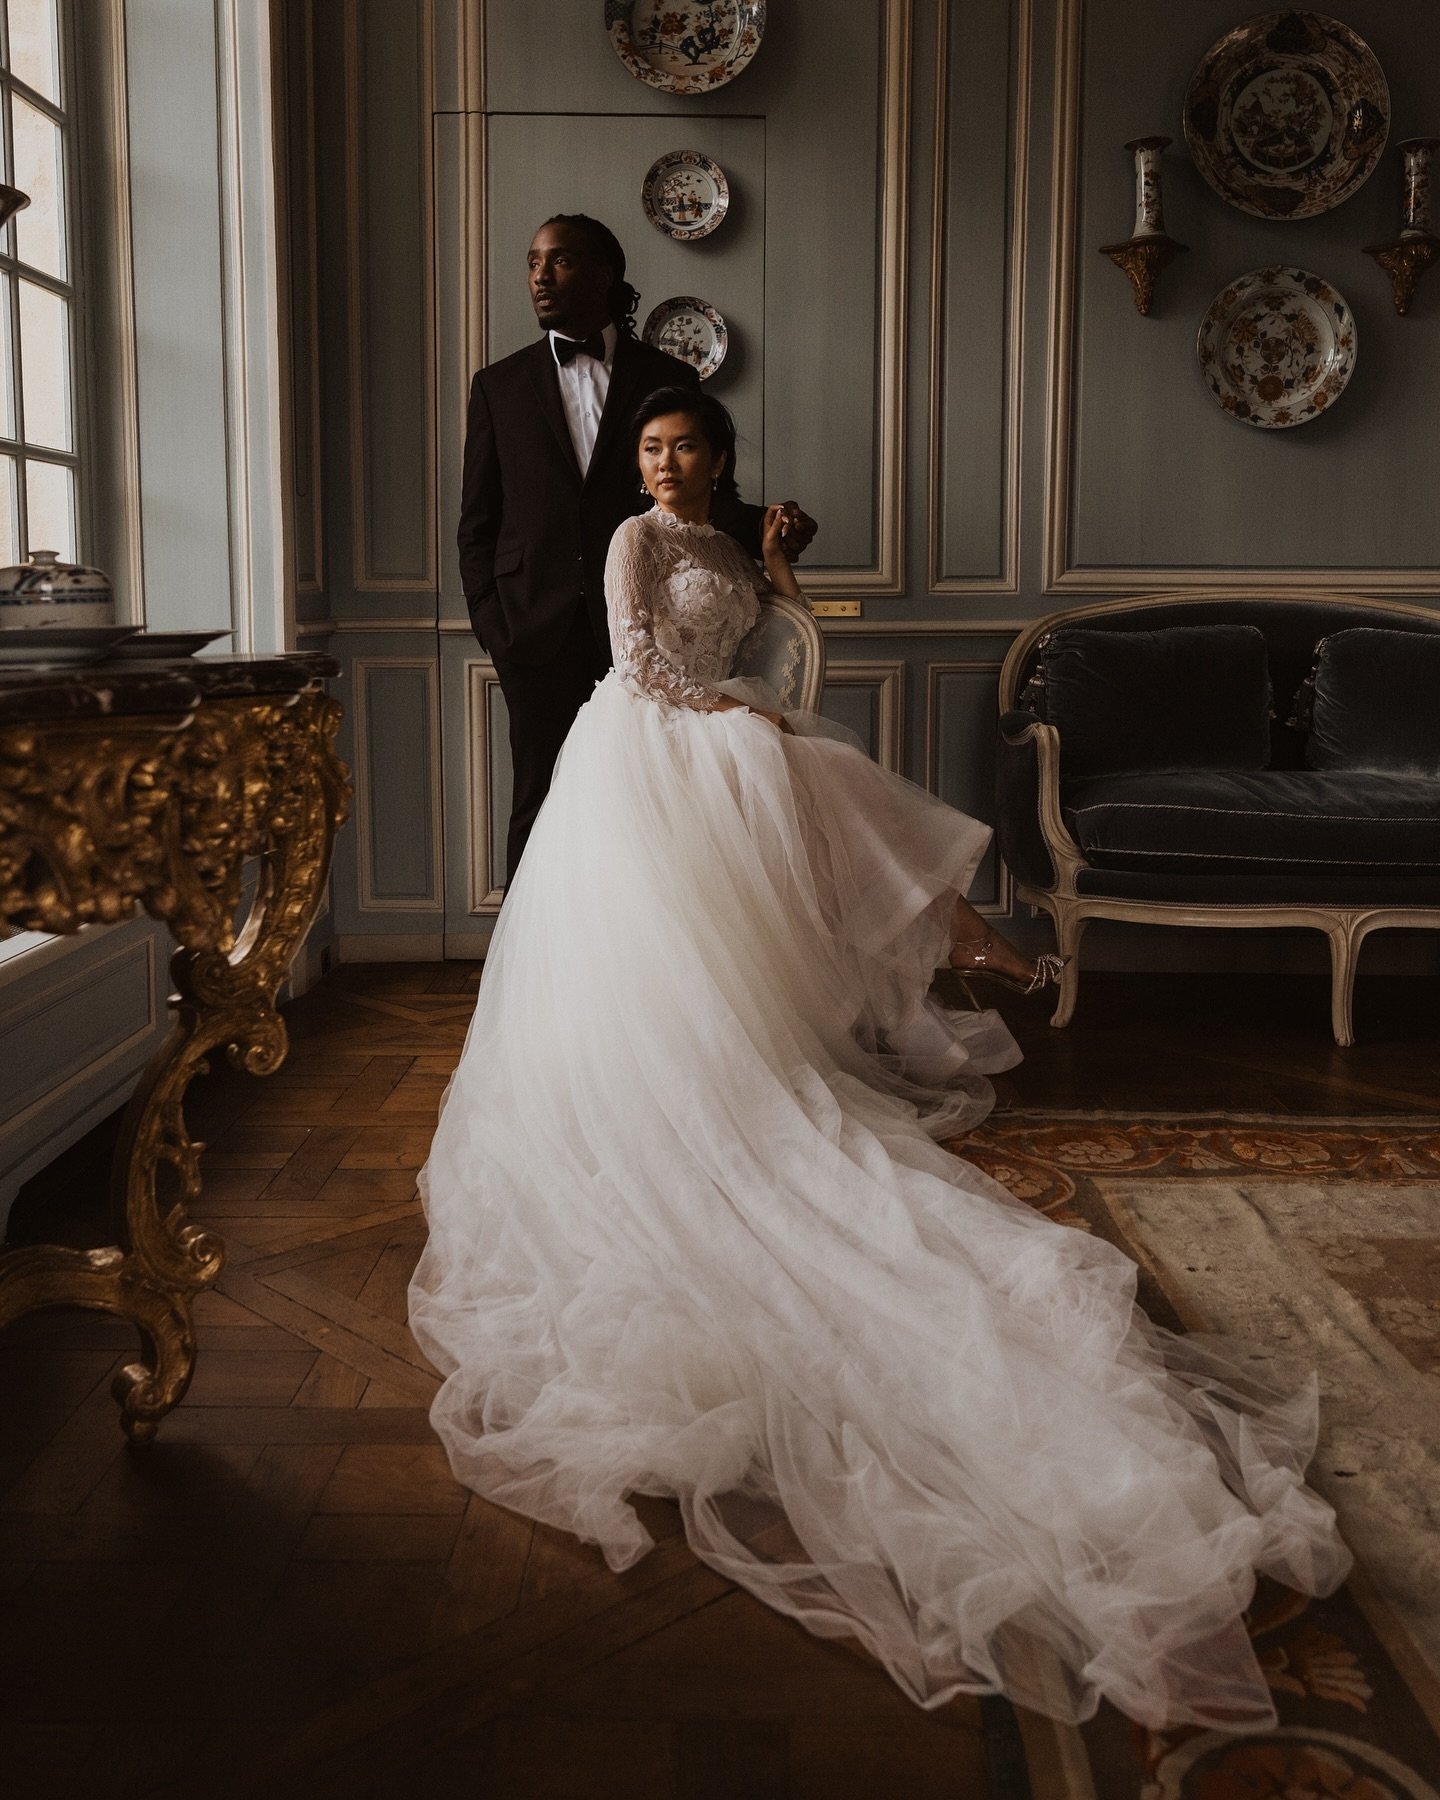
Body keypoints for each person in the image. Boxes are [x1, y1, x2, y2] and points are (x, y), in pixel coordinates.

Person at [410, 389, 1349, 1733]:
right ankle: (994, 955)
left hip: (732, 738)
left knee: (830, 791)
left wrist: (780, 583)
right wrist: (753, 727)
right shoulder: (633, 538)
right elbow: (637, 665)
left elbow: (775, 635)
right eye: (651, 449)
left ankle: (986, 953)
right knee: (822, 785)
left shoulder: (728, 544)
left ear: (721, 459)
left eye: (685, 449)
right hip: (651, 756)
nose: (665, 464)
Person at [457, 212, 817, 881]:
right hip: (533, 629)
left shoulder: (667, 375)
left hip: (651, 625)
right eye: (533, 261)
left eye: (560, 260)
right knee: (539, 800)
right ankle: (534, 975)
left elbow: (708, 499)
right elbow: (477, 521)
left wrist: (775, 525)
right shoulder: (498, 386)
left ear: (606, 272)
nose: (540, 275)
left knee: (648, 809)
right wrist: (493, 623)